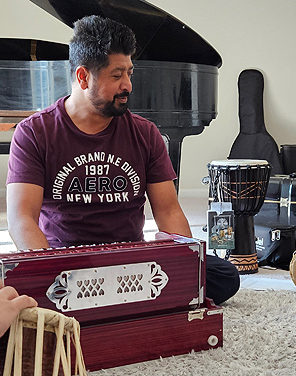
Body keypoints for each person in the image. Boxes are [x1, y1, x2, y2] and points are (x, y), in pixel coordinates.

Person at [6, 15, 239, 305]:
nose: (127, 85)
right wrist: (53, 271)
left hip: (129, 258)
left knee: (223, 276)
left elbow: (168, 210)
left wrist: (186, 263)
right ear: (82, 77)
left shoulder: (145, 133)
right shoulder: (35, 133)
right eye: (117, 76)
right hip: (63, 258)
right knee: (13, 290)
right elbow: (21, 218)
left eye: (130, 72)